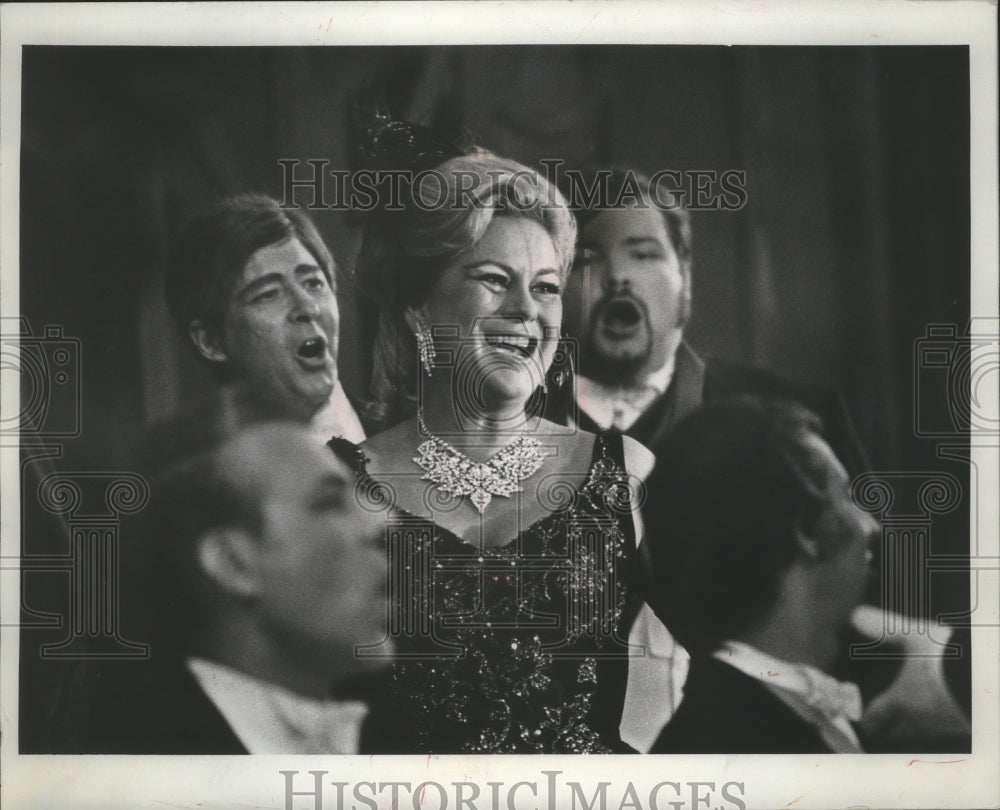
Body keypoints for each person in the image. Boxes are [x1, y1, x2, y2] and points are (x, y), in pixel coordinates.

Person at [334, 143, 653, 753]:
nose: (526, 311)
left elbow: (743, 653)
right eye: (494, 280)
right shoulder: (338, 488)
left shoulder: (627, 471)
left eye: (546, 287)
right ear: (418, 307)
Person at [556, 167, 869, 750]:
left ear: (686, 280)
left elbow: (862, 593)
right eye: (587, 259)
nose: (619, 277)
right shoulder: (506, 437)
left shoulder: (797, 416)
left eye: (645, 254)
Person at [644, 396, 970, 753]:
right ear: (807, 532)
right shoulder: (735, 737)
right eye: (847, 496)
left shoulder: (734, 711)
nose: (871, 526)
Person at [73, 419, 390, 753]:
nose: (384, 521)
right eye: (329, 502)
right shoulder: (147, 769)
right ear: (232, 562)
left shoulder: (379, 730)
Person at [165, 193, 364, 441]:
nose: (308, 307)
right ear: (211, 342)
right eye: (269, 294)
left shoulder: (411, 436)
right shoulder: (202, 474)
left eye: (314, 283)